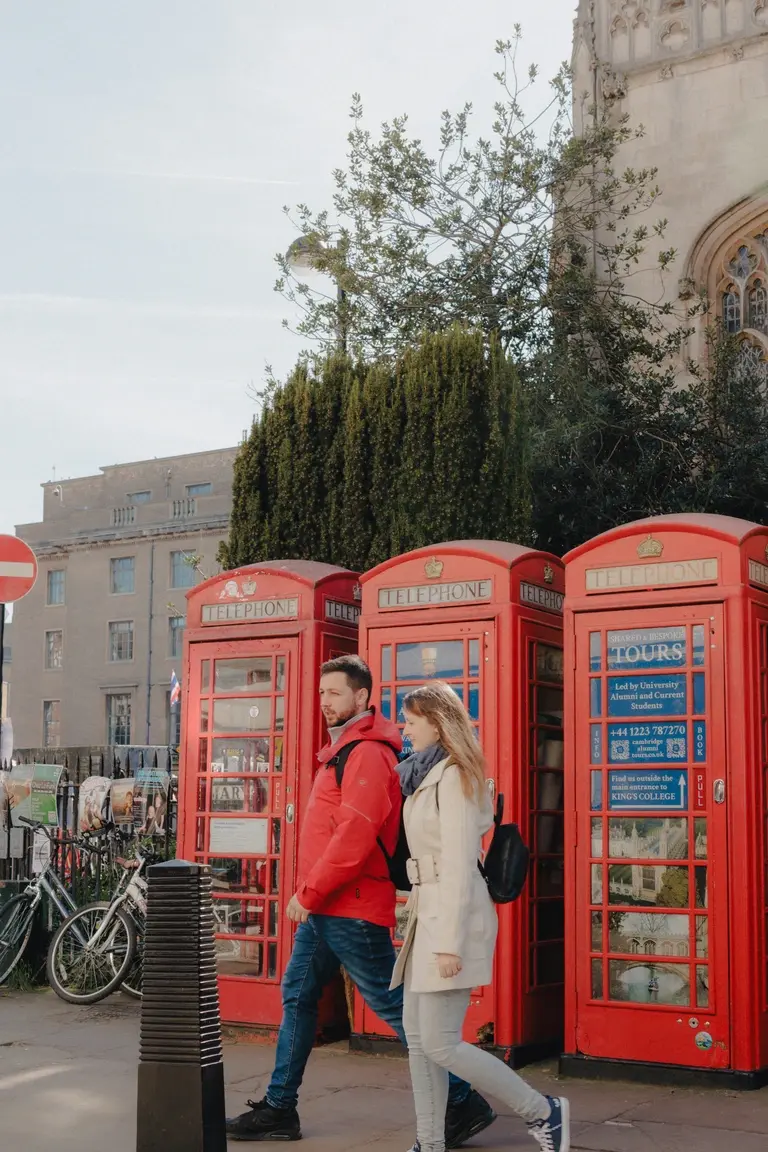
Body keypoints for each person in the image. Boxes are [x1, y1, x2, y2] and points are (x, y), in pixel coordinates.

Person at [226, 656, 495, 1146]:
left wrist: (307, 893)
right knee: (299, 994)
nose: (325, 701)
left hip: (346, 902)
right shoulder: (342, 748)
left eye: (335, 693)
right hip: (329, 903)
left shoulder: (367, 752)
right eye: (322, 692)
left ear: (361, 698)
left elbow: (355, 834)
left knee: (397, 1010)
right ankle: (279, 1107)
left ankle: (462, 1101)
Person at [393, 682, 570, 1152]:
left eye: (411, 721)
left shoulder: (454, 777)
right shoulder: (422, 774)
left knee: (441, 1042)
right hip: (425, 914)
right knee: (418, 1039)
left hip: (450, 920)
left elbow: (455, 863)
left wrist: (449, 942)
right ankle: (429, 1142)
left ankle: (543, 1110)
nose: (405, 729)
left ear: (436, 722)